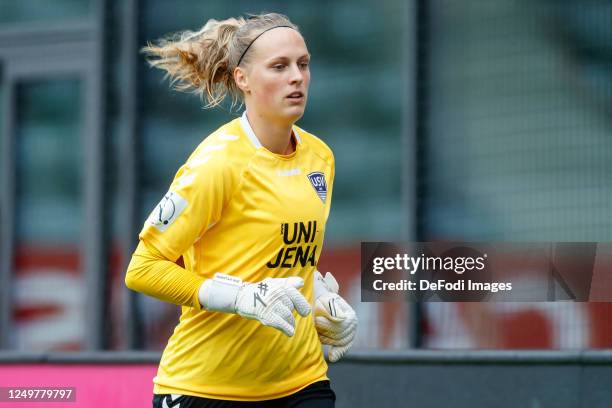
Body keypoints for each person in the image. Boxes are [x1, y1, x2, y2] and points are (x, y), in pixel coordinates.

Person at [125, 13, 358, 408]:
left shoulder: (321, 157)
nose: (297, 77)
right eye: (279, 66)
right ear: (242, 79)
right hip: (206, 388)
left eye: (303, 64)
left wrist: (321, 300)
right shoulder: (217, 163)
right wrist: (237, 297)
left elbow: (281, 257)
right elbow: (143, 269)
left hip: (301, 383)